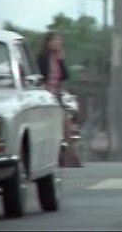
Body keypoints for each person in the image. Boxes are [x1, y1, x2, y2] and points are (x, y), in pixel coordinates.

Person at [37, 31, 82, 167]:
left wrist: (61, 60)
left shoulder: (57, 59)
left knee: (65, 125)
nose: (57, 43)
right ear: (48, 43)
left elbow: (65, 76)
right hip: (44, 95)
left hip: (56, 95)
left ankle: (68, 158)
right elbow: (40, 75)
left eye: (59, 40)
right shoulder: (42, 58)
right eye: (54, 40)